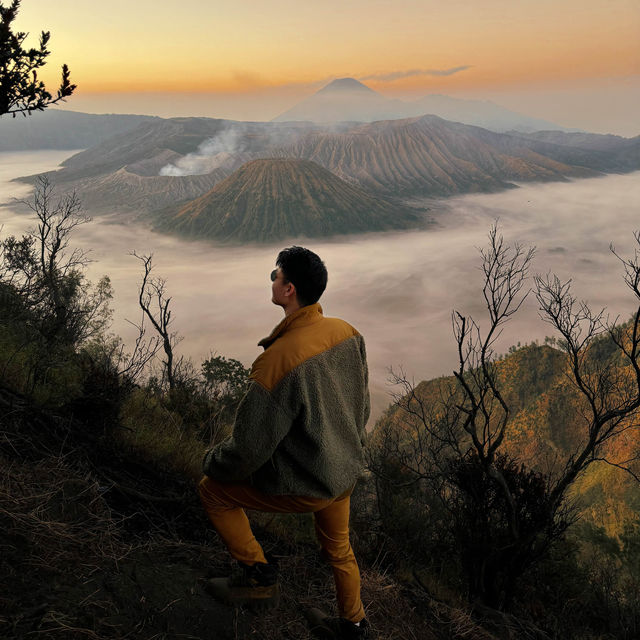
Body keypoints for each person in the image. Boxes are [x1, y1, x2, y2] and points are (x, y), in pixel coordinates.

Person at [198, 246, 371, 639]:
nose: (271, 280)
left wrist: (212, 461)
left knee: (213, 492)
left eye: (274, 275)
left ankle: (257, 577)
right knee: (340, 551)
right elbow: (362, 405)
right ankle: (354, 625)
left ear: (289, 290)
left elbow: (247, 449)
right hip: (344, 473)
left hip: (310, 484)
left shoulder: (279, 361)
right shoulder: (347, 332)